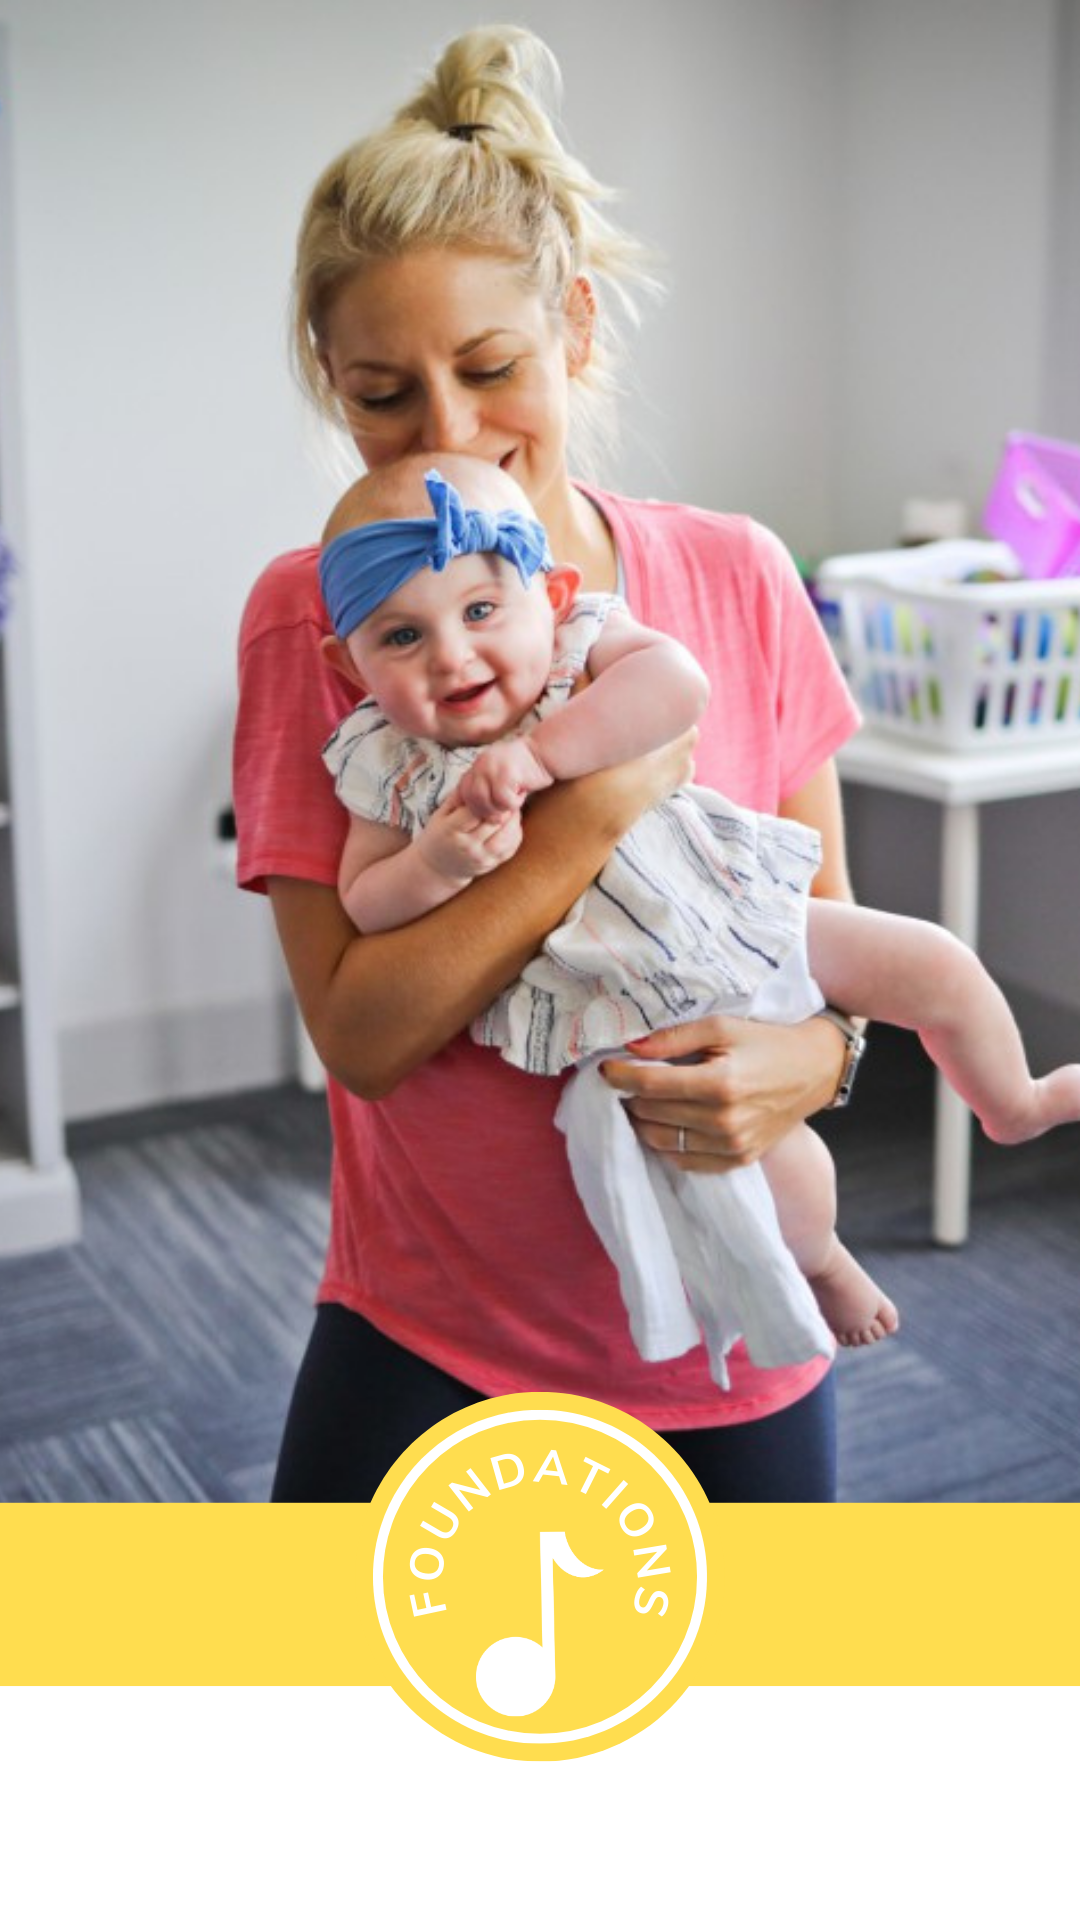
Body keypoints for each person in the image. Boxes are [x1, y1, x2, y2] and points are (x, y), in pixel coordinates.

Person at [235, 23, 871, 1503]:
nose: (449, 435)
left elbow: (823, 939)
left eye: (492, 367)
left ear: (575, 329)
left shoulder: (741, 578)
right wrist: (590, 812)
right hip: (427, 1336)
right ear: (337, 392)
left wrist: (821, 1057)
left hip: (735, 1339)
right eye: (385, 394)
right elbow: (365, 1037)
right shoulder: (310, 621)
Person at [316, 452, 1080, 1390]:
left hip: (742, 908)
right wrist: (432, 863)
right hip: (629, 1003)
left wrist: (544, 759)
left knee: (933, 962)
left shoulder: (582, 647)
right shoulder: (381, 762)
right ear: (343, 660)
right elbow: (363, 897)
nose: (451, 655)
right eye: (399, 637)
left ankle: (1014, 1102)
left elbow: (677, 689)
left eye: (481, 611)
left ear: (551, 595)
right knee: (761, 1171)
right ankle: (825, 1262)